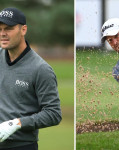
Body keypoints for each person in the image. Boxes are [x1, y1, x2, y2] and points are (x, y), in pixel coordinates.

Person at [0, 7, 62, 150]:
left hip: (21, 146)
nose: (3, 34)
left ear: (23, 30)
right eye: (0, 29)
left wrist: (17, 124)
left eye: (8, 28)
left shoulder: (41, 69)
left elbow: (53, 114)